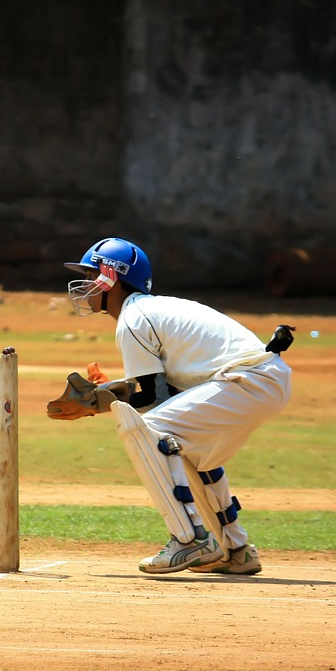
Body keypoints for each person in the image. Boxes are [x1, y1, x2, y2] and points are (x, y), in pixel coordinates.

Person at [47, 237, 293, 576]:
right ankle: (234, 549)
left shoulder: (134, 318)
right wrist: (105, 393)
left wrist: (95, 401)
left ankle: (189, 539)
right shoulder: (153, 310)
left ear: (111, 277)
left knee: (150, 431)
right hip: (261, 380)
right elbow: (166, 392)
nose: (86, 284)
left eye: (91, 275)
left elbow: (150, 401)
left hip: (246, 380)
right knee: (192, 451)